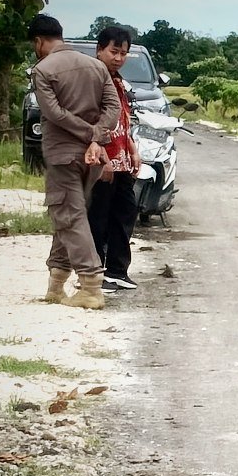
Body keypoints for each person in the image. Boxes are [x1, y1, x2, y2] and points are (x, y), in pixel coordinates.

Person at [28, 13, 119, 309]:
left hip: (63, 154)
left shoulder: (43, 70)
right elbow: (113, 107)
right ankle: (56, 284)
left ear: (38, 41)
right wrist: (96, 136)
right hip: (92, 157)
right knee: (68, 214)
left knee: (69, 215)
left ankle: (91, 286)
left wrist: (89, 133)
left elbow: (53, 113)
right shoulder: (96, 66)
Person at [86, 26, 143, 294]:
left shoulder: (118, 82)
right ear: (100, 50)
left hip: (122, 161)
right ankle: (93, 273)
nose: (119, 58)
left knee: (125, 213)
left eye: (123, 53)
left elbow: (123, 122)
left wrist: (132, 149)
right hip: (102, 160)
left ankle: (117, 270)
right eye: (114, 51)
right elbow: (91, 121)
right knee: (98, 217)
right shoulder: (93, 80)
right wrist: (104, 158)